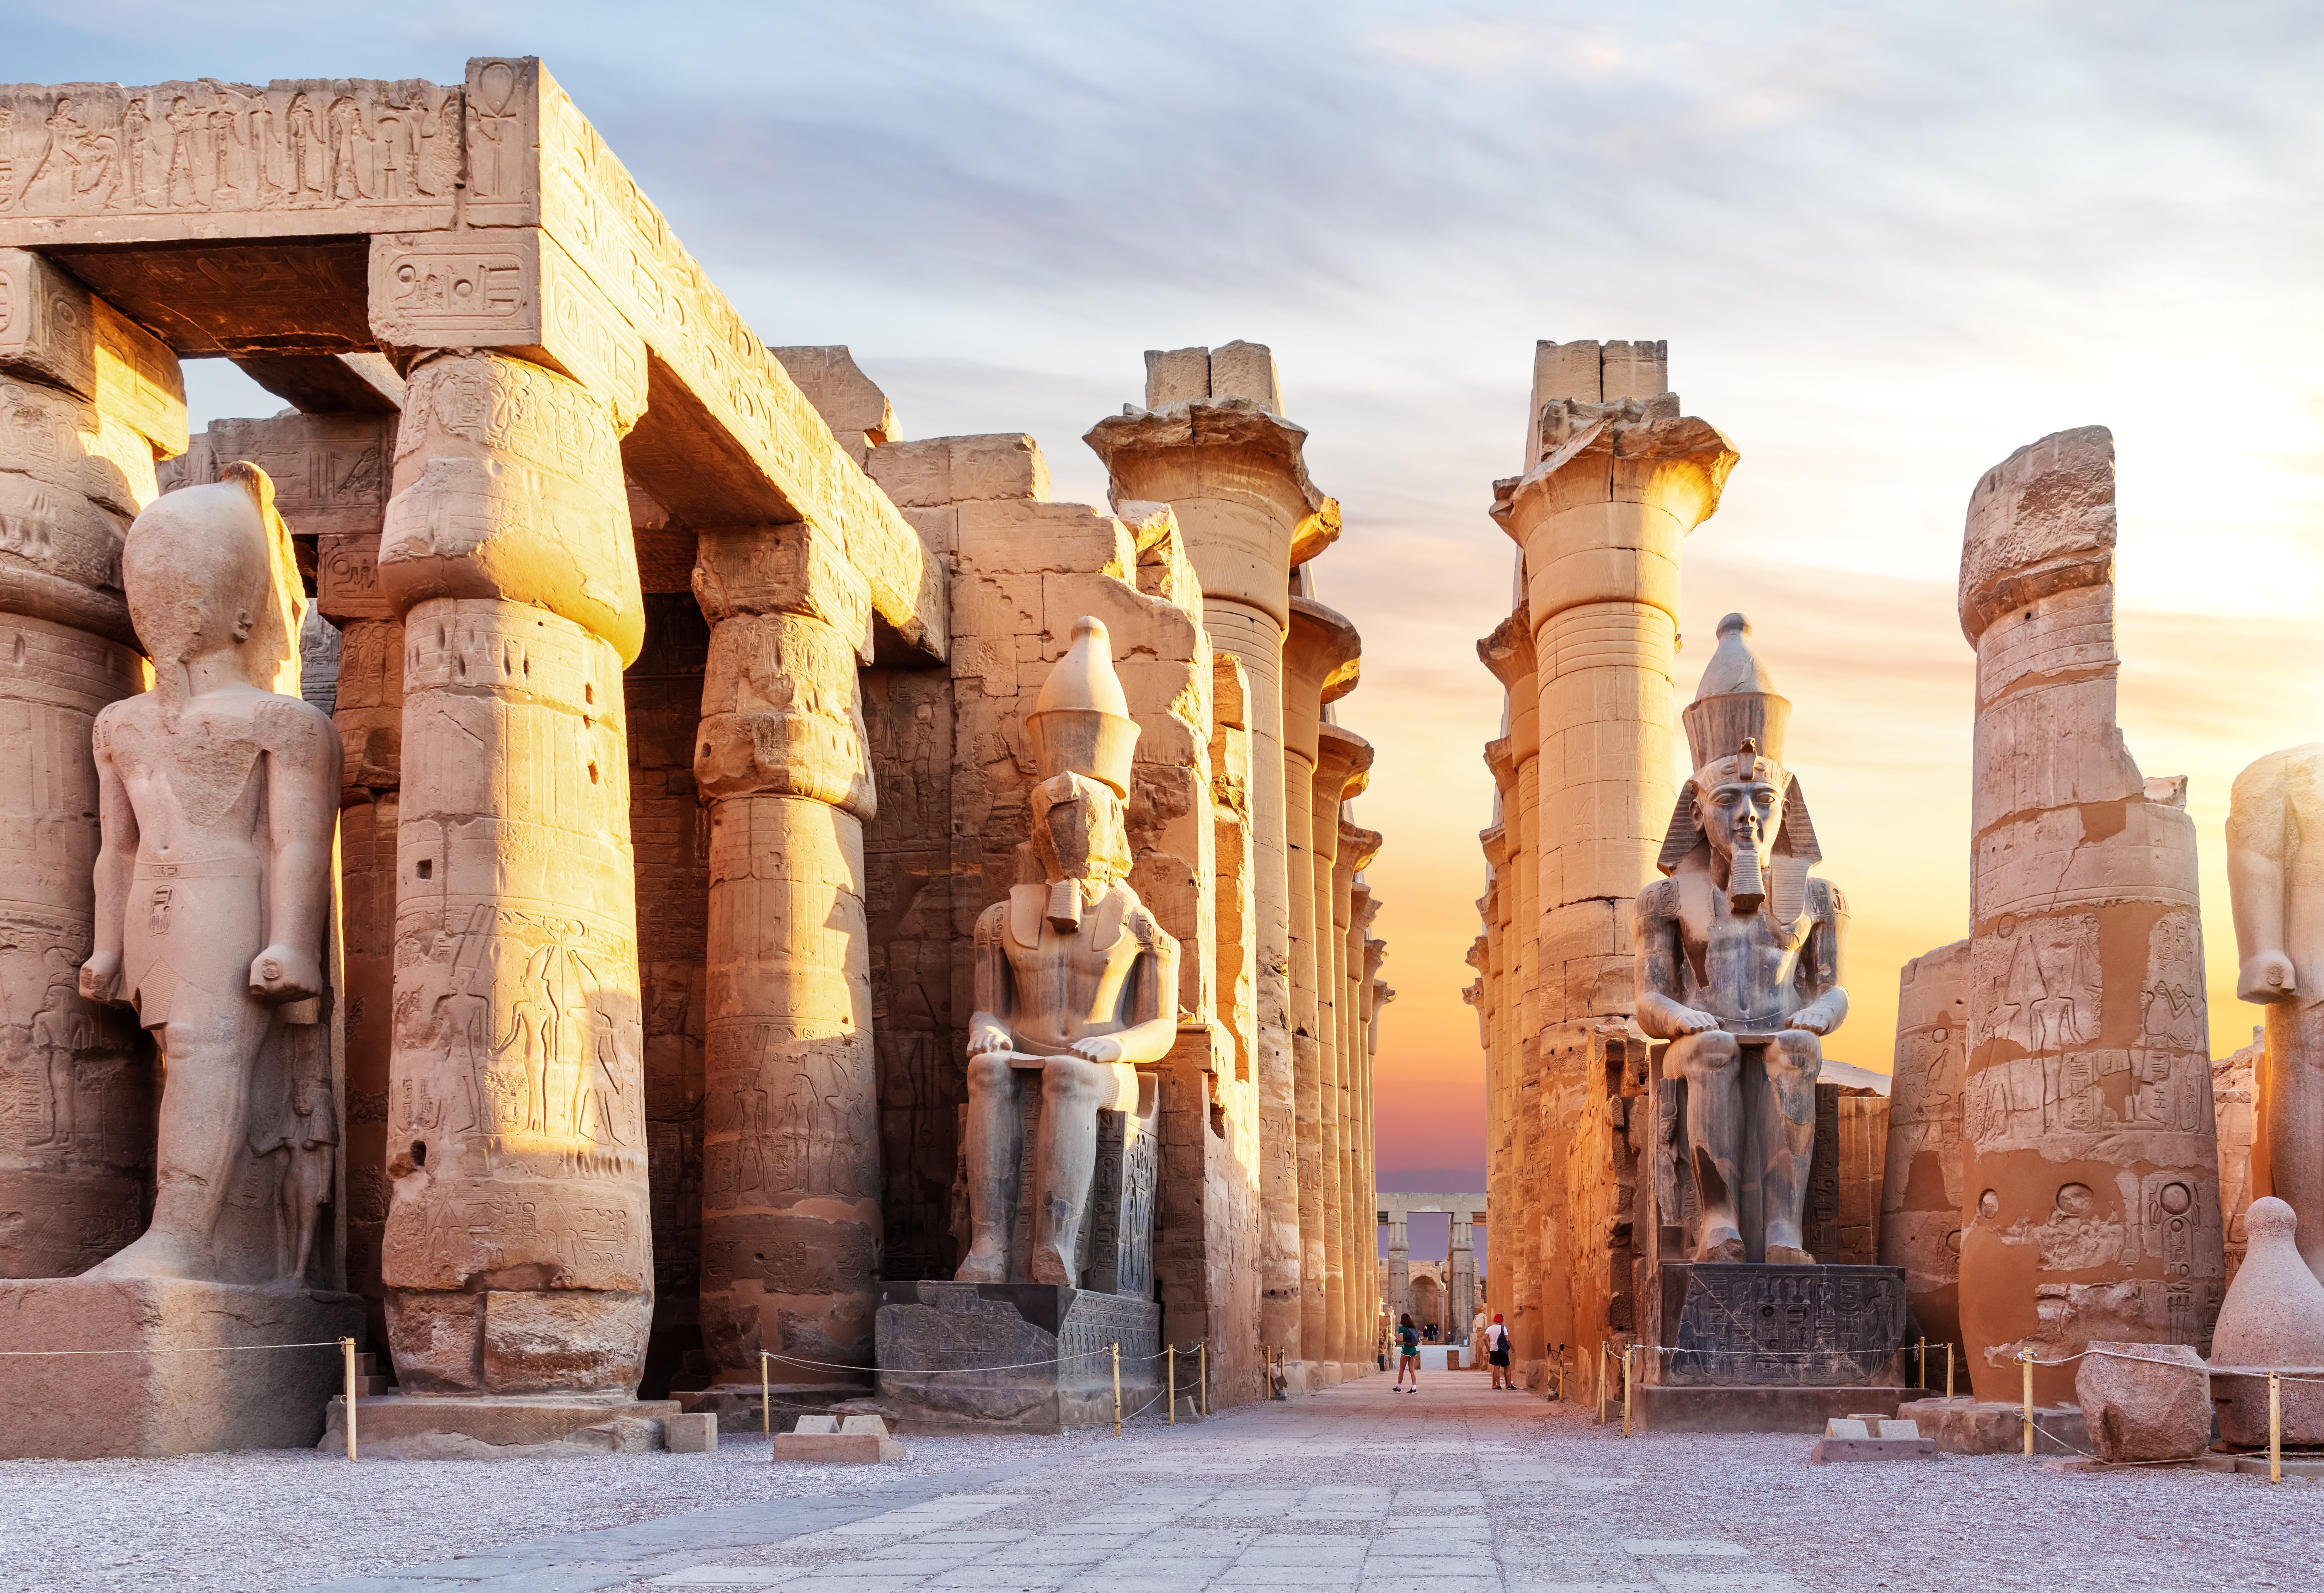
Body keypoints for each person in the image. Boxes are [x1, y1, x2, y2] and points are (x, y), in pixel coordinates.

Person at [1484, 1312, 1513, 1389]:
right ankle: (1509, 1385)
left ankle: (1498, 1385)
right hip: (1503, 1350)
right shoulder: (1503, 1328)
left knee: (1496, 1368)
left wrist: (1488, 1348)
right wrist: (1512, 1347)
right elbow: (1507, 1340)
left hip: (1494, 1350)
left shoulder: (1490, 1329)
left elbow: (1485, 1339)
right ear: (1501, 1321)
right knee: (1507, 1368)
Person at [1394, 1312, 1421, 1392]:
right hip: (1413, 1350)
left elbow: (1402, 1340)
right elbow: (1419, 1341)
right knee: (1412, 1370)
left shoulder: (1402, 1329)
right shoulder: (1413, 1328)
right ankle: (1414, 1388)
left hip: (1406, 1349)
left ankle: (1399, 1388)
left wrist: (1396, 1340)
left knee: (1402, 1370)